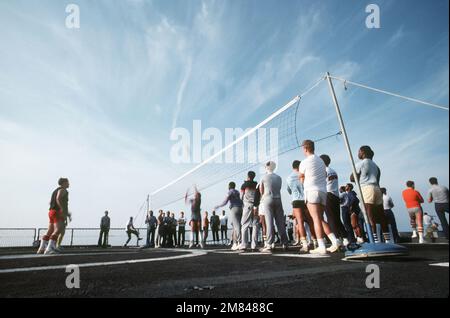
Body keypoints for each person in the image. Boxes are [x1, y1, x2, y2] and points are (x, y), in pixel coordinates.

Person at [299, 140, 340, 255]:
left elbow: (301, 179)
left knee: (316, 219)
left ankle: (321, 246)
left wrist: (303, 180)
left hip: (311, 191)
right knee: (320, 219)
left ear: (305, 148)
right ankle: (334, 241)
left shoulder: (304, 162)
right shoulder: (321, 161)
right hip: (323, 192)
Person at [351, 145, 391, 243]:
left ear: (363, 152)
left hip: (366, 188)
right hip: (377, 189)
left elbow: (352, 178)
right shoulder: (376, 166)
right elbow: (378, 180)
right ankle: (388, 241)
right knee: (381, 216)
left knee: (370, 216)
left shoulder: (360, 163)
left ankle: (375, 241)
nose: (358, 154)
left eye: (359, 152)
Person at [286, 160, 317, 253]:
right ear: (300, 166)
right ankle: (315, 242)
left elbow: (289, 190)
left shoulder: (289, 177)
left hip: (296, 200)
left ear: (292, 167)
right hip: (306, 199)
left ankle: (304, 245)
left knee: (300, 222)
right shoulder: (304, 174)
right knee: (311, 221)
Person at [259, 161, 289, 253]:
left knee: (269, 222)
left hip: (268, 199)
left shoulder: (263, 177)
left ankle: (269, 244)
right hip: (278, 199)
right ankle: (285, 243)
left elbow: (261, 190)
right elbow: (279, 188)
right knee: (280, 222)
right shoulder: (279, 178)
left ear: (267, 168)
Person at [37, 178, 70, 255]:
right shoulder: (63, 190)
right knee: (58, 230)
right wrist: (62, 209)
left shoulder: (55, 191)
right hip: (58, 212)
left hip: (51, 211)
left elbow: (51, 202)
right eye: (67, 182)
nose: (69, 184)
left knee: (49, 231)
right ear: (64, 183)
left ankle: (41, 248)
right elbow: (58, 198)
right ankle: (49, 248)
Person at [320, 155, 348, 247]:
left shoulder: (323, 171)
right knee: (337, 218)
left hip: (328, 195)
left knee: (331, 218)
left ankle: (336, 240)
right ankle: (345, 238)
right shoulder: (333, 171)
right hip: (335, 195)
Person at [214, 182, 243, 251]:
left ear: (229, 186)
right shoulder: (237, 192)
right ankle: (235, 243)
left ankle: (239, 242)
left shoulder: (230, 192)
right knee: (237, 225)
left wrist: (219, 205)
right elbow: (240, 200)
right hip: (240, 208)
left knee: (236, 226)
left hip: (234, 208)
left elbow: (225, 201)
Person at [239, 171, 260, 251]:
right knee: (255, 225)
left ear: (248, 176)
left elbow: (241, 196)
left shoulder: (244, 185)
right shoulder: (256, 185)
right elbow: (258, 196)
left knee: (244, 224)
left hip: (247, 205)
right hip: (255, 206)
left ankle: (244, 244)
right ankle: (254, 245)